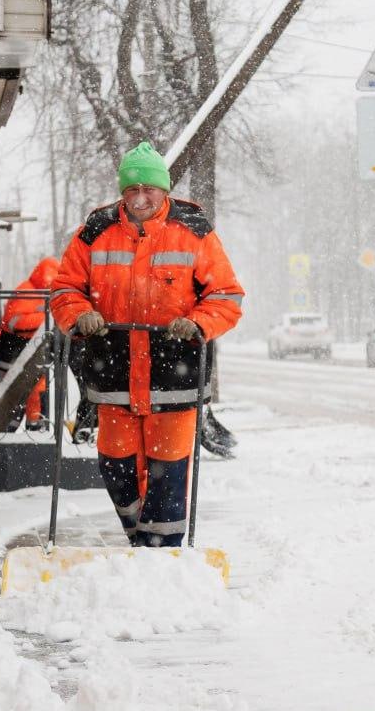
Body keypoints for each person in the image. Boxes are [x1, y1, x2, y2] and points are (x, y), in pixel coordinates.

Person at [50, 142, 245, 547]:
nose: (140, 198)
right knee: (115, 465)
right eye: (131, 189)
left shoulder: (194, 232)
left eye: (149, 190)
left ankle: (163, 556)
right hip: (114, 372)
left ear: (165, 191)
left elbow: (226, 296)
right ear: (122, 192)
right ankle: (139, 537)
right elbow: (65, 288)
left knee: (168, 471)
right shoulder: (95, 231)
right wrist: (78, 314)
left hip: (174, 374)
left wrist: (196, 322)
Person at [0, 256, 60, 430]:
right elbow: (13, 322)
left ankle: (35, 426)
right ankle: (17, 427)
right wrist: (47, 319)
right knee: (19, 394)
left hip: (31, 353)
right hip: (15, 353)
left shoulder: (45, 293)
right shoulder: (26, 291)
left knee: (35, 390)